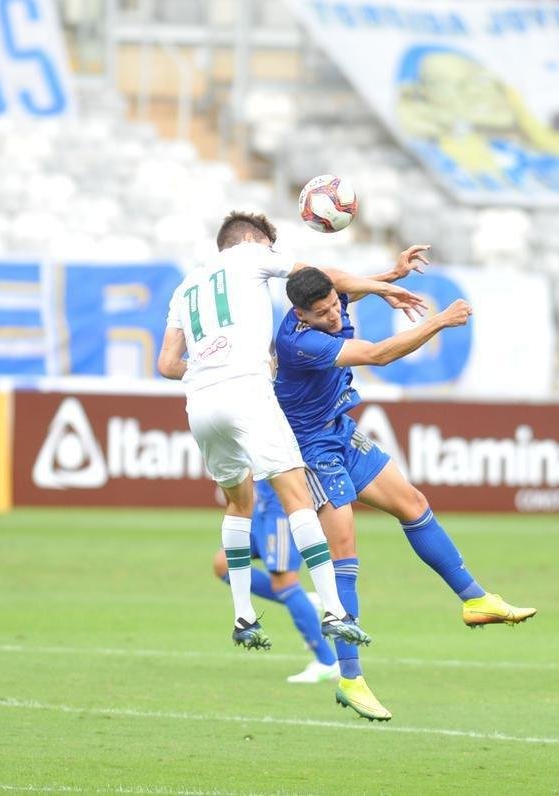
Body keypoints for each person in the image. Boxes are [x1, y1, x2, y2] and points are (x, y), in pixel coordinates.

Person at [273, 259, 537, 721]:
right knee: (344, 552)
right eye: (323, 313)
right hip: (312, 450)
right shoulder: (299, 343)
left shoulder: (328, 300)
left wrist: (389, 279)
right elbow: (377, 355)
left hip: (338, 430)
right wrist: (438, 320)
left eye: (335, 306)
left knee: (413, 504)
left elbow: (345, 281)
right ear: (301, 315)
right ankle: (350, 679)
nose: (334, 316)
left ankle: (475, 599)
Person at [156, 210, 426, 651]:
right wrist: (385, 284)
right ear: (251, 240)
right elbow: (323, 279)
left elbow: (167, 365)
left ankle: (243, 617)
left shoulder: (186, 288)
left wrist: (210, 365)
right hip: (246, 390)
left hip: (200, 402)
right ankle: (335, 612)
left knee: (237, 505)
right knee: (298, 496)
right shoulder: (251, 255)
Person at [212, 480, 339, 683]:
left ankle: (328, 662)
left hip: (279, 507)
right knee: (223, 564)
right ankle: (304, 602)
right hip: (260, 504)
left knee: (284, 582)